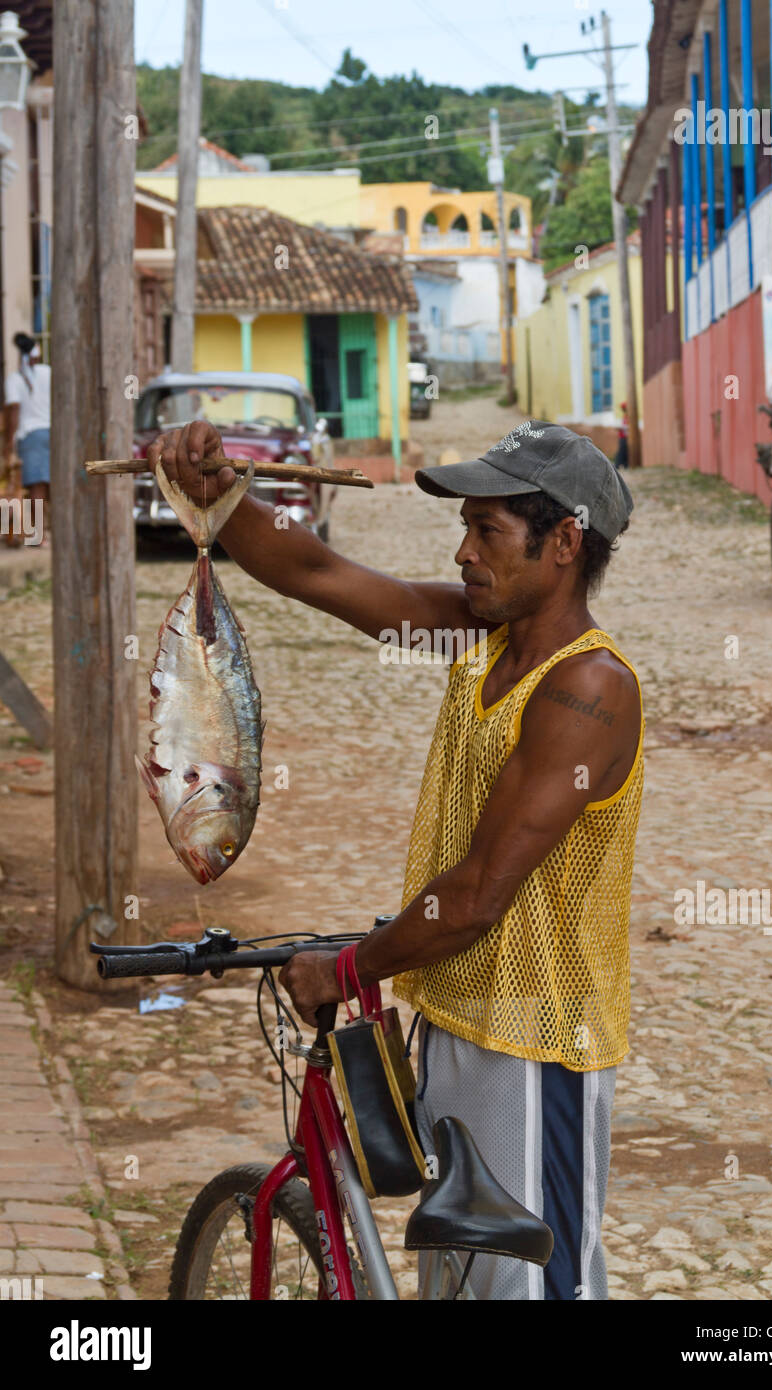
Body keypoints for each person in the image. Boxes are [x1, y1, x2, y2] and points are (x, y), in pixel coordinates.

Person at [147, 416, 643, 1301]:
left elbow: (483, 892)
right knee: (458, 1286)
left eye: (487, 531)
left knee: (532, 1292)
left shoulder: (588, 687)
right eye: (464, 530)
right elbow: (323, 573)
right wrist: (226, 496)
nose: (463, 553)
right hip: (453, 1019)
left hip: (537, 1050)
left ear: (565, 542)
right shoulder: (473, 634)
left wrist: (349, 967)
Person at [5, 332, 51, 544]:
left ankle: (37, 536)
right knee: (47, 487)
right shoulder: (48, 372)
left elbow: (14, 410)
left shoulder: (14, 379)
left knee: (35, 489)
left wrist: (8, 443)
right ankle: (41, 533)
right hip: (52, 433)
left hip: (31, 435)